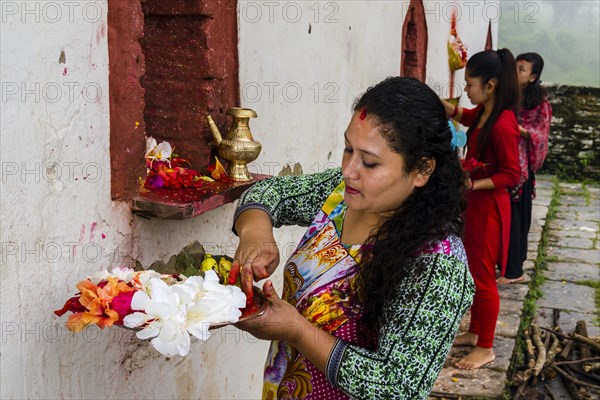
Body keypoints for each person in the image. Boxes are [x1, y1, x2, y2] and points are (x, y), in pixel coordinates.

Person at [231, 76, 475, 399]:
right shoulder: (339, 196)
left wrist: (296, 330)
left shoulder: (437, 265)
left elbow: (397, 387)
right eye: (348, 149)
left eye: (370, 162)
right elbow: (269, 192)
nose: (348, 170)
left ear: (422, 170)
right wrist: (256, 234)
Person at [443, 48, 521, 370]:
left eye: (471, 84)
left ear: (490, 86)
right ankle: (476, 333)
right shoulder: (486, 112)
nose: (466, 90)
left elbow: (512, 174)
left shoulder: (503, 124)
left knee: (484, 278)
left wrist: (475, 183)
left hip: (489, 209)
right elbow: (467, 117)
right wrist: (442, 107)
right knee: (474, 271)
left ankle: (486, 347)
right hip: (475, 206)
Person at [498, 52, 552, 285]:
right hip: (504, 161)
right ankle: (503, 264)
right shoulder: (506, 95)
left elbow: (541, 134)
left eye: (521, 69)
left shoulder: (540, 103)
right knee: (502, 217)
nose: (515, 72)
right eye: (515, 67)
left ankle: (513, 270)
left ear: (533, 77)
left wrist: (519, 130)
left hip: (521, 170)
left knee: (516, 220)